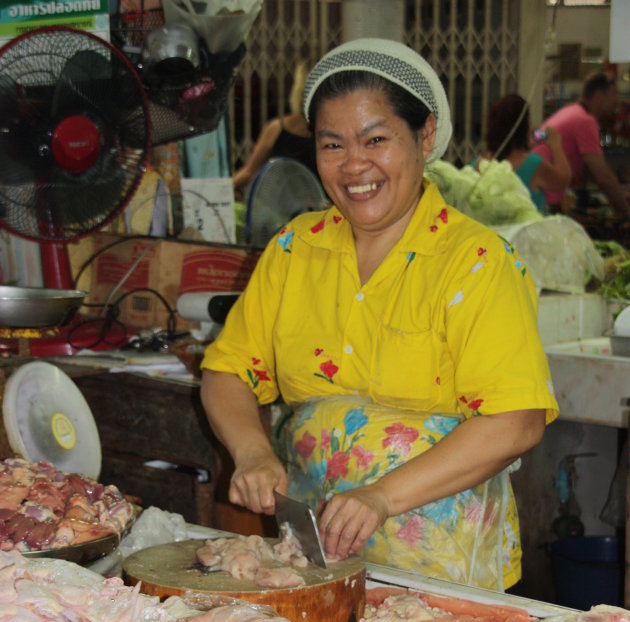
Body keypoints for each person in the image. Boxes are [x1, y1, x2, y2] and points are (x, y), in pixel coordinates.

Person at [200, 38, 559, 592]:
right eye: (332, 144)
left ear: (425, 136)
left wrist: (382, 496)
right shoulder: (295, 250)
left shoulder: (476, 262)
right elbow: (227, 370)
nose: (354, 165)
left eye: (376, 139)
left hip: (444, 570)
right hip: (316, 562)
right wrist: (252, 451)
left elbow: (517, 420)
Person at [533, 71, 630, 220]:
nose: (617, 101)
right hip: (545, 198)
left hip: (535, 190)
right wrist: (626, 210)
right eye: (614, 93)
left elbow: (535, 137)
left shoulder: (569, 112)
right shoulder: (585, 121)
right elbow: (602, 177)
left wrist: (617, 194)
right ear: (599, 95)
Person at [232, 60, 317, 193]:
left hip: (281, 210)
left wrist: (216, 192)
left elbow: (248, 173)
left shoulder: (278, 128)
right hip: (326, 210)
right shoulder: (333, 131)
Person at [481, 93, 571, 213]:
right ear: (524, 127)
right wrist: (555, 145)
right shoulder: (534, 165)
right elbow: (563, 179)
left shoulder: (478, 165)